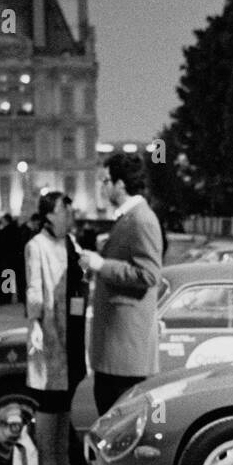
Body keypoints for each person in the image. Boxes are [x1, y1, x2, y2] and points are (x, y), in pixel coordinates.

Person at [80, 152, 163, 417]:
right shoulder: (128, 219)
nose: (102, 187)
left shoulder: (141, 219)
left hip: (125, 354)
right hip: (117, 351)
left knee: (120, 431)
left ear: (120, 184)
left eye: (106, 181)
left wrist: (101, 265)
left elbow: (149, 275)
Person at [24, 191, 88, 465]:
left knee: (65, 398)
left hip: (73, 329)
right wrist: (35, 324)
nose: (70, 215)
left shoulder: (71, 243)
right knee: (50, 399)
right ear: (49, 215)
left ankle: (63, 464)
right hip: (50, 330)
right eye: (65, 210)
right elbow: (34, 288)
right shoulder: (36, 246)